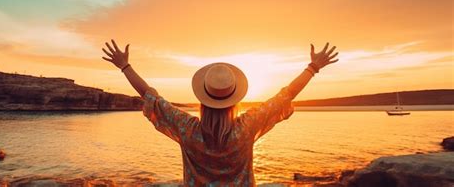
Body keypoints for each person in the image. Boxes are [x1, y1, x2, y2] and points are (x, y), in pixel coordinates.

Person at [102, 40, 338, 186]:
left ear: (203, 99)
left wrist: (125, 66)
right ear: (235, 99)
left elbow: (150, 95)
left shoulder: (187, 128)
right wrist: (313, 67)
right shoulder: (247, 126)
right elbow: (286, 95)